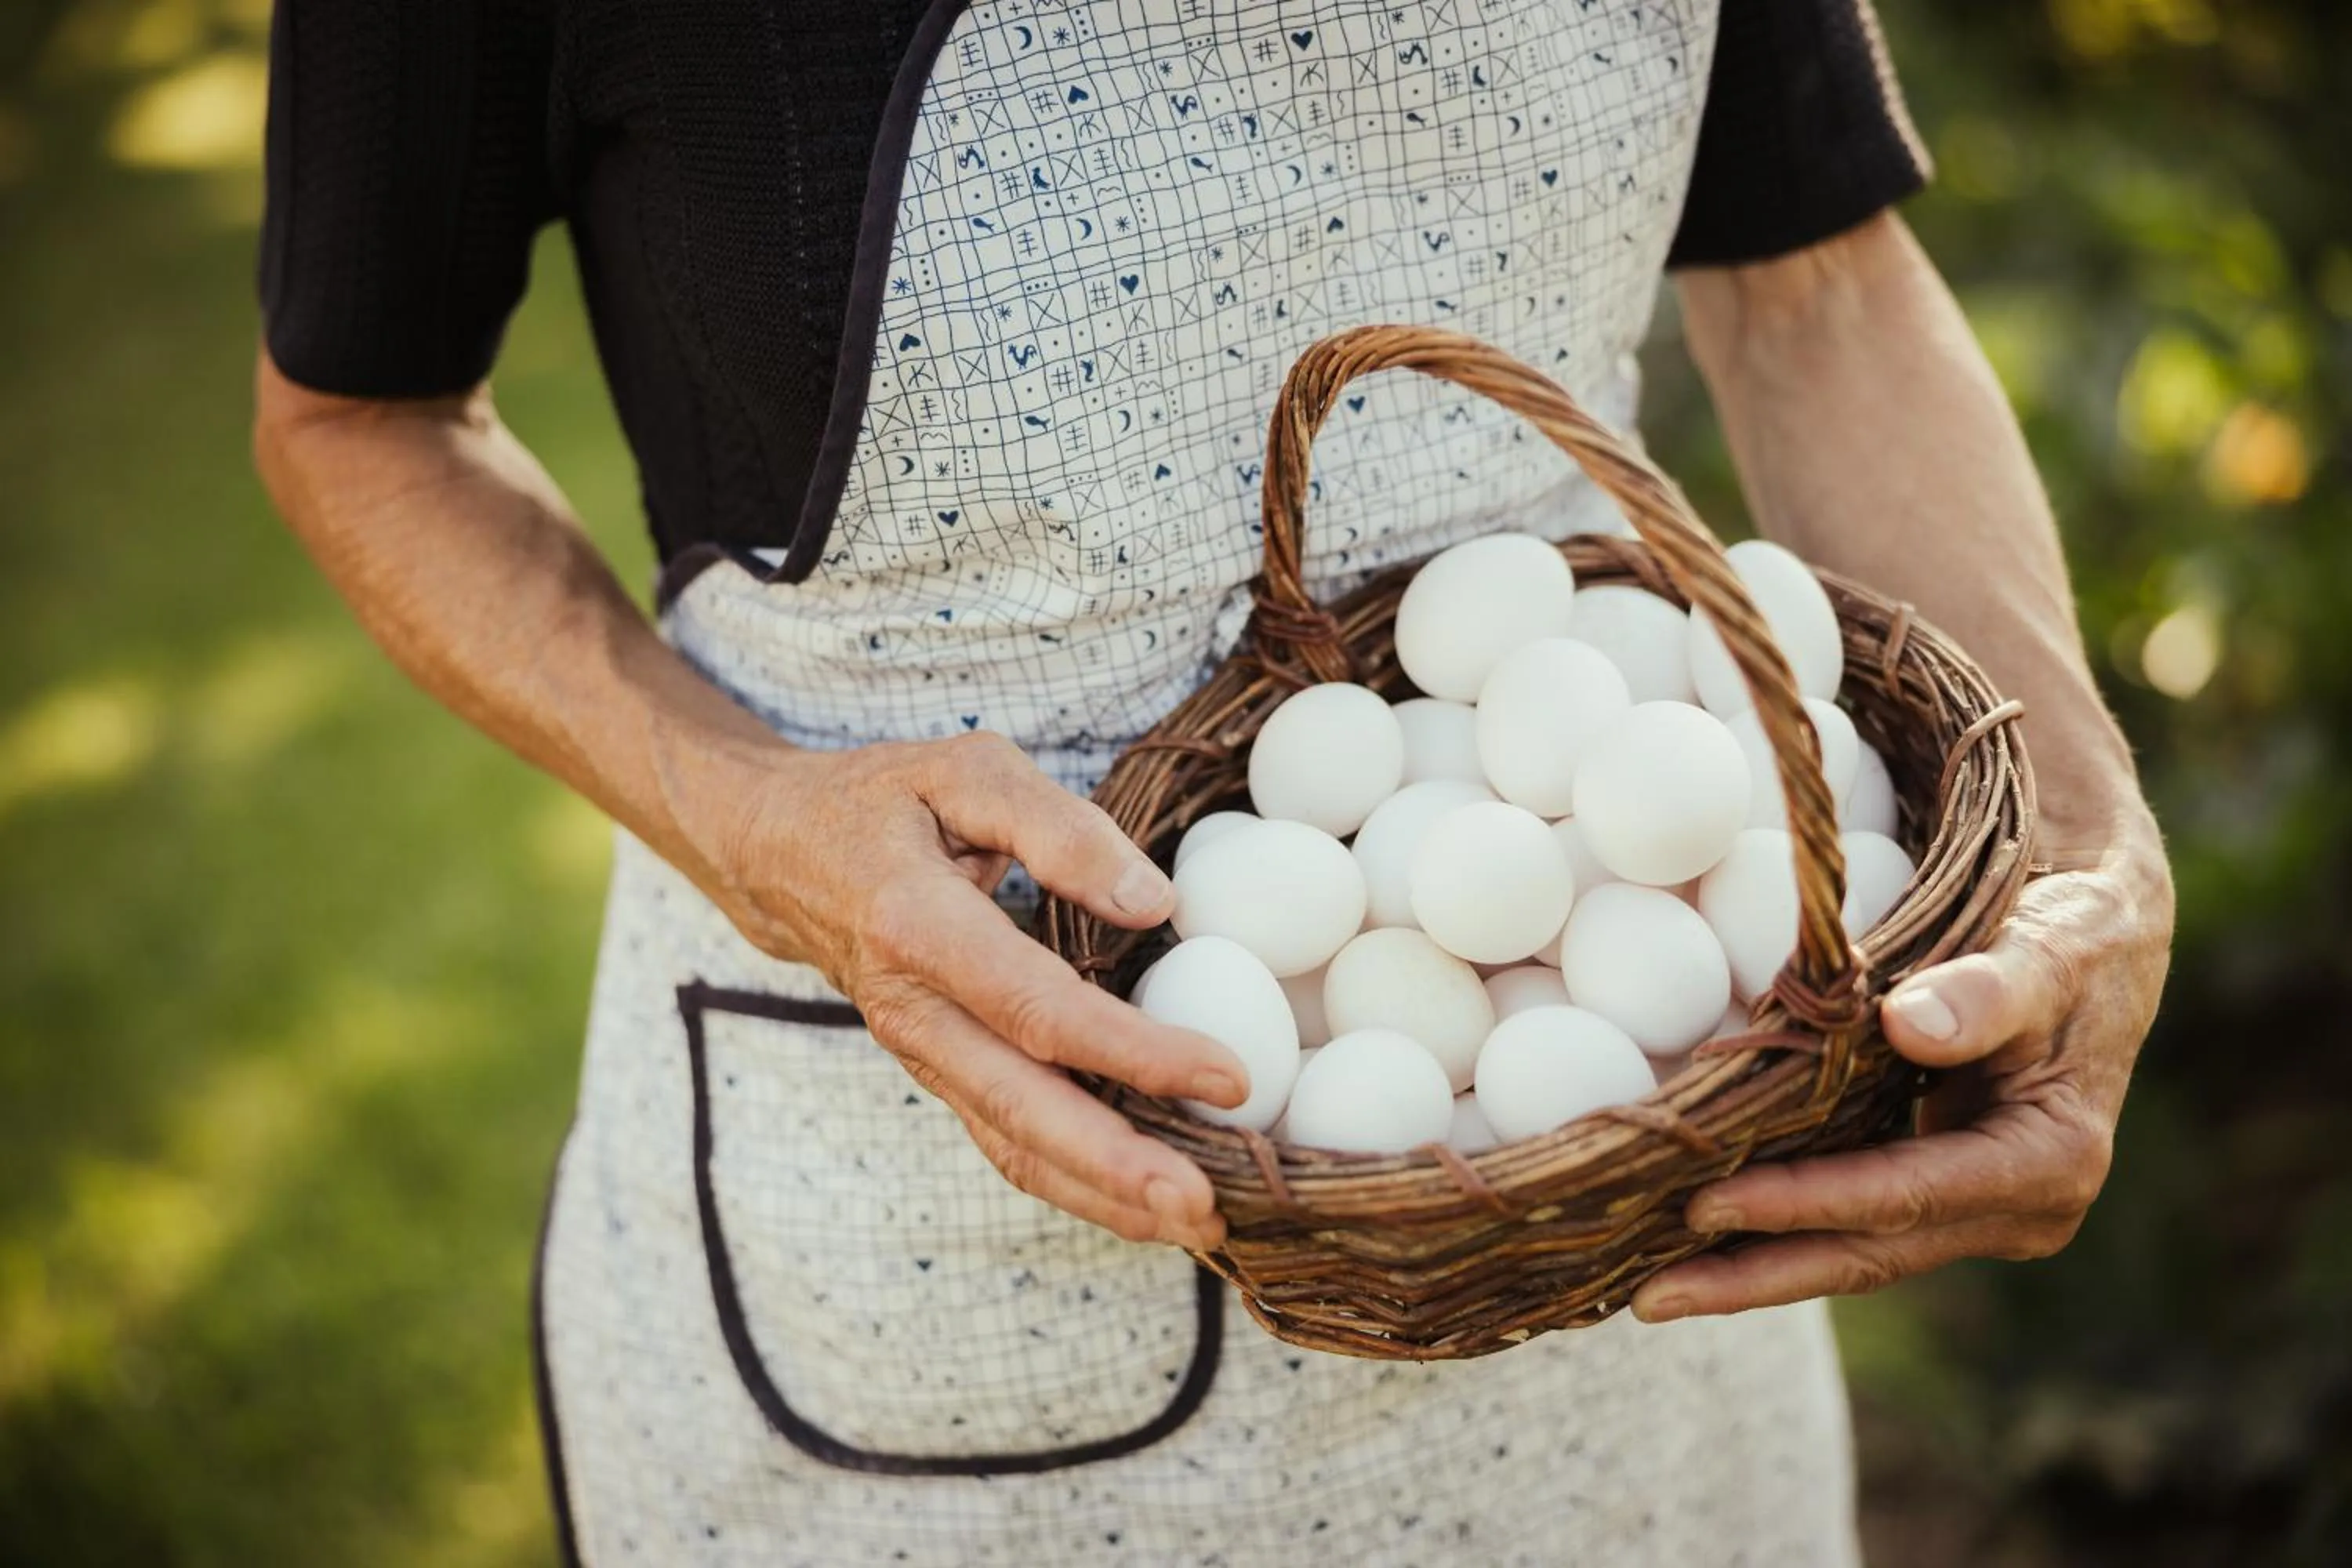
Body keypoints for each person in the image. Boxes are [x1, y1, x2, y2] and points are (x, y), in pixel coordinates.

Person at [252, 2, 2172, 1563]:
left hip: (1634, 1192)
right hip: (931, 1266)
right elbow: (361, 417)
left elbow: (1815, 283)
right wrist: (753, 821)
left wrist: (2075, 825)